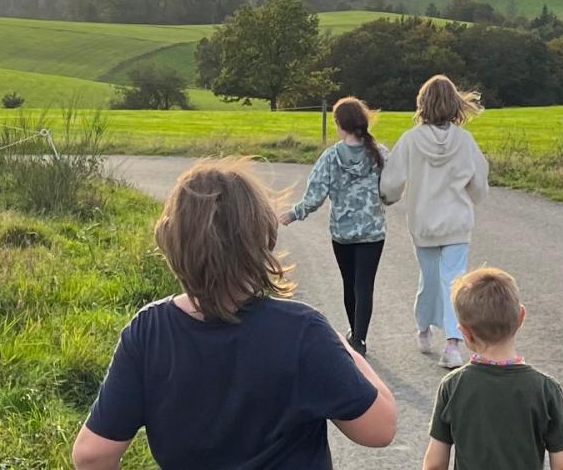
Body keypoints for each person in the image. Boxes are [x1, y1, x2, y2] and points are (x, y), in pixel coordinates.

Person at [73, 159, 397, 469]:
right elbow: (379, 429)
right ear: (262, 238)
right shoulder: (302, 331)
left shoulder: (148, 332)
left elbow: (91, 455)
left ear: (171, 241)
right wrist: (343, 347)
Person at [381, 74, 492, 369]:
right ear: (455, 103)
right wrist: (473, 196)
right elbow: (479, 183)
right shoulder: (465, 141)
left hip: (424, 223)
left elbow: (391, 182)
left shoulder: (410, 140)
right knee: (454, 281)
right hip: (457, 222)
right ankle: (453, 345)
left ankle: (423, 329)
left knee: (429, 278)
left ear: (422, 103)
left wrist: (388, 197)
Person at [423, 267, 563, 470]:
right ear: (521, 316)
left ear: (465, 333)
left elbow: (435, 465)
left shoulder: (453, 386)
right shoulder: (545, 389)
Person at [282, 96, 391, 354]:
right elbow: (392, 188)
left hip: (343, 233)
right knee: (365, 284)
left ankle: (354, 330)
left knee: (349, 282)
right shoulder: (380, 153)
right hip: (373, 232)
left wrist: (293, 214)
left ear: (340, 124)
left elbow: (315, 196)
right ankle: (360, 338)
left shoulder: (331, 156)